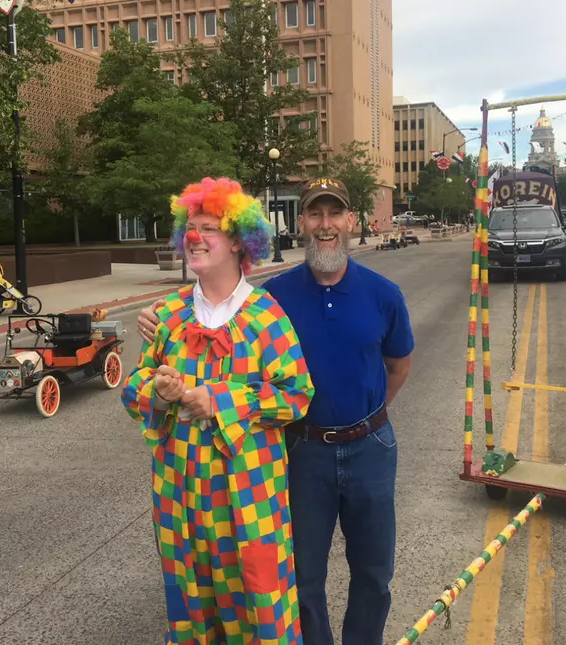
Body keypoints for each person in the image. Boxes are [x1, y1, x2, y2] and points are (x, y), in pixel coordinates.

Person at [137, 177, 415, 645]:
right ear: (301, 223)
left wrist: (367, 419)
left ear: (351, 222)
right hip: (304, 451)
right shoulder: (276, 298)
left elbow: (399, 365)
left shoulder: (384, 293)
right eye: (314, 215)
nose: (325, 225)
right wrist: (158, 316)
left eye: (335, 214)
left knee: (373, 570)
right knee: (300, 574)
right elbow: (223, 303)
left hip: (370, 447)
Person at [121, 177, 314, 644]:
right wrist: (159, 391)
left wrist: (220, 400)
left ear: (235, 240)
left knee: (258, 598)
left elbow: (297, 395)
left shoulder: (266, 317)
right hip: (179, 494)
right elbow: (133, 390)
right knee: (191, 597)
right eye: (190, 226)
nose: (193, 236)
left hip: (248, 495)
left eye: (207, 227)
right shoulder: (168, 316)